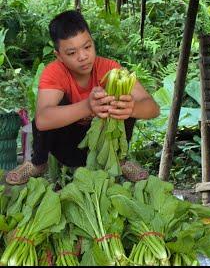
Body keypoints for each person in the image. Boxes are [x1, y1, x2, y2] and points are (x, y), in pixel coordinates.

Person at [5, 10, 160, 185]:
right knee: (49, 109)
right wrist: (87, 106)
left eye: (87, 47)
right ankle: (38, 163)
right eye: (72, 53)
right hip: (65, 147)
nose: (83, 57)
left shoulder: (110, 69)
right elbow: (42, 120)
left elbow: (153, 108)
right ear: (59, 56)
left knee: (123, 100)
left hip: (104, 146)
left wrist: (132, 108)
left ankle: (121, 161)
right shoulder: (54, 72)